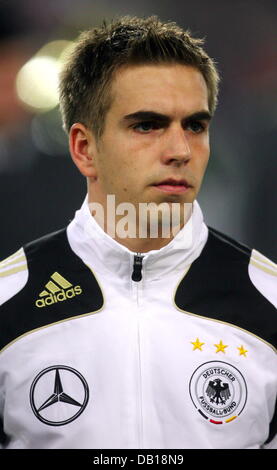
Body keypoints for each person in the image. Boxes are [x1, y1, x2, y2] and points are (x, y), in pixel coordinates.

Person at [0, 15, 276, 450]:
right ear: (84, 148)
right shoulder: (8, 300)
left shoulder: (268, 300)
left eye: (195, 126)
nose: (180, 151)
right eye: (147, 125)